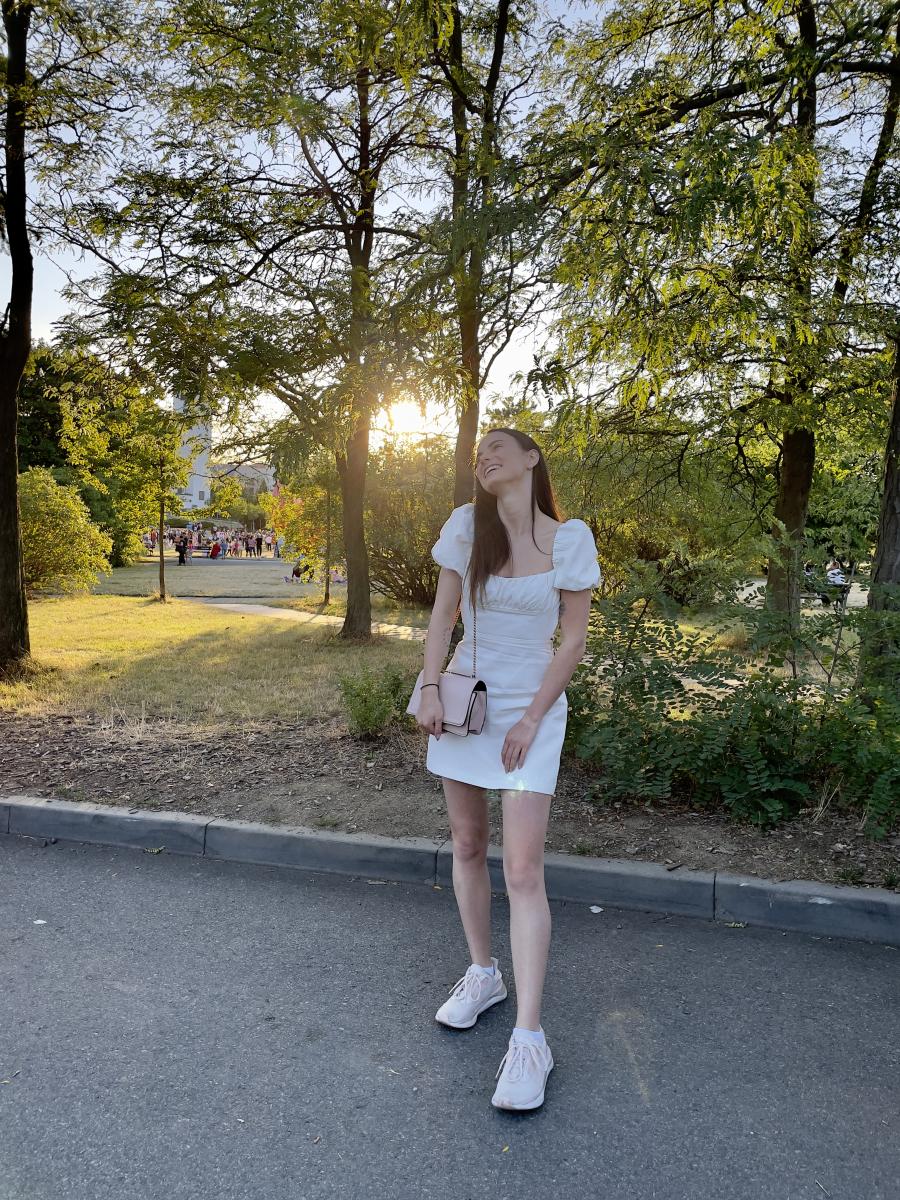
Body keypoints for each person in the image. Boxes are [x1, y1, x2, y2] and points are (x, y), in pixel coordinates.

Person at [412, 427, 601, 1112]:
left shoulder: (569, 540)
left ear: (531, 458)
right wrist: (429, 687)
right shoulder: (468, 527)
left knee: (522, 871)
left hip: (532, 709)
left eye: (498, 446)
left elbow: (572, 642)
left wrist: (530, 721)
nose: (485, 456)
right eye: (478, 453)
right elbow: (442, 618)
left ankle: (530, 1038)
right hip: (465, 699)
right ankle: (483, 973)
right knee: (466, 844)